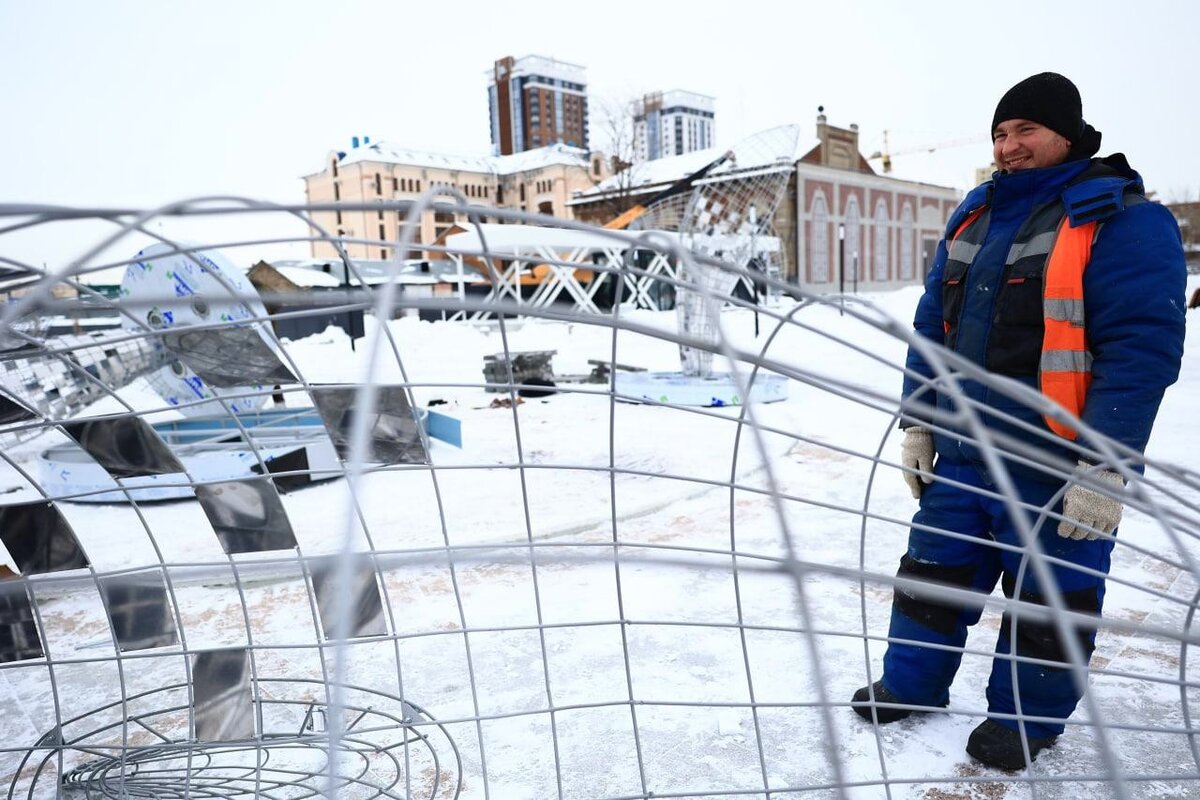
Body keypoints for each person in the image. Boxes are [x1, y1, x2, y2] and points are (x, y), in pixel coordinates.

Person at [850, 73, 1187, 770]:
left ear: (1068, 134)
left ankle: (1026, 720)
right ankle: (910, 686)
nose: (1010, 145)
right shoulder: (978, 213)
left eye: (1026, 130)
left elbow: (1142, 350)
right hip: (968, 453)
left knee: (1049, 599)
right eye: (1001, 133)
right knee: (931, 574)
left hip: (1056, 463)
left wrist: (1107, 464)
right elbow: (932, 326)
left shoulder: (1123, 219)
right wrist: (919, 421)